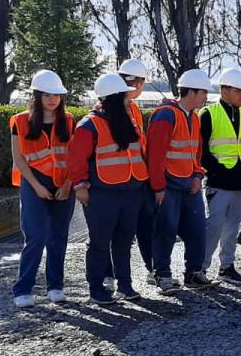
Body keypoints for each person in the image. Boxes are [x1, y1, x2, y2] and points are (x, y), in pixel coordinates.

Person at [67, 74, 148, 304]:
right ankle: (96, 288)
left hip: (131, 191)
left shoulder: (129, 120)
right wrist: (80, 187)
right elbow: (76, 160)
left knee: (123, 241)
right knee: (99, 242)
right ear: (115, 97)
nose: (127, 98)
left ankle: (125, 285)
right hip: (103, 194)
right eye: (124, 94)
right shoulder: (89, 125)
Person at [9, 70, 76, 307]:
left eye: (56, 95)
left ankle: (55, 287)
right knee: (35, 236)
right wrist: (36, 186)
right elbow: (19, 160)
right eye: (47, 94)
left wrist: (68, 185)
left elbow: (74, 157)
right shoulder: (19, 121)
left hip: (63, 185)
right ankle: (23, 290)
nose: (52, 99)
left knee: (58, 237)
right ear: (37, 96)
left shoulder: (68, 120)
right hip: (34, 183)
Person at [200, 67, 241, 283]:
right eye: (238, 91)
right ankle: (200, 268)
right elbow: (201, 150)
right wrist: (216, 170)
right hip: (219, 182)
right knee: (214, 226)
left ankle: (227, 267)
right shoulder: (209, 114)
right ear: (224, 90)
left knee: (233, 226)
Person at [148, 69, 211, 292]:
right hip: (168, 186)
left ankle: (193, 273)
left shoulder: (194, 117)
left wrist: (197, 175)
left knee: (197, 229)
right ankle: (162, 275)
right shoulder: (165, 115)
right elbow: (155, 156)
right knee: (165, 230)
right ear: (192, 92)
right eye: (203, 92)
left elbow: (196, 152)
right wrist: (158, 187)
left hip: (189, 185)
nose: (205, 97)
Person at [102, 58, 154, 290]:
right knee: (109, 231)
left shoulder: (133, 109)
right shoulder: (103, 110)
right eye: (140, 83)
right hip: (111, 182)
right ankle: (108, 275)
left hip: (136, 179)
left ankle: (152, 267)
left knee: (142, 225)